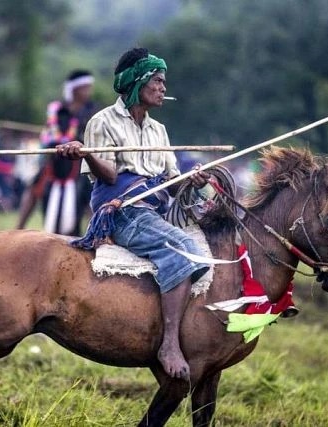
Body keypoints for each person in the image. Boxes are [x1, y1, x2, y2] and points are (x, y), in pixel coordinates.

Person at [56, 48, 210, 380]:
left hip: (154, 212)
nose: (163, 88)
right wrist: (85, 154)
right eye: (157, 80)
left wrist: (192, 180)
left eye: (164, 82)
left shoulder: (160, 132)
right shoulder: (101, 122)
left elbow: (171, 185)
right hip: (122, 212)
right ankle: (169, 344)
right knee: (185, 251)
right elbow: (109, 176)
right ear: (138, 82)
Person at [16, 70, 97, 235]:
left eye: (89, 87)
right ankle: (18, 228)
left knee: (92, 196)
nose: (88, 92)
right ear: (74, 89)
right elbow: (50, 136)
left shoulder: (91, 111)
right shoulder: (57, 109)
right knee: (34, 186)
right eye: (85, 88)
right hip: (55, 161)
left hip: (80, 163)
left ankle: (95, 235)